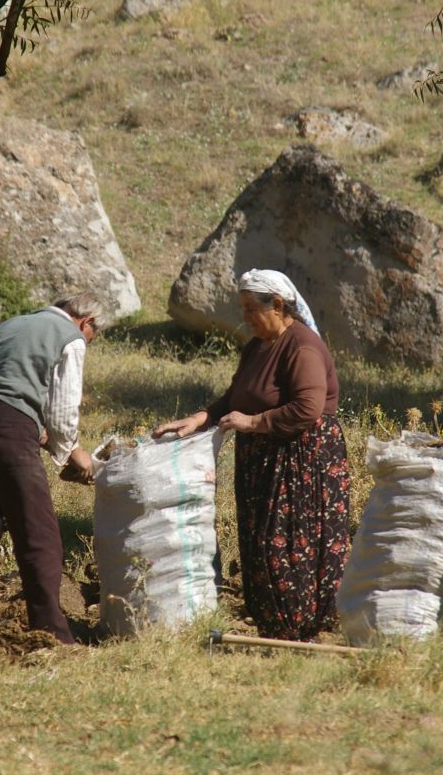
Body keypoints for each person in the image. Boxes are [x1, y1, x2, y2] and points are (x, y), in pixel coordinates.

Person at [155, 270, 351, 640]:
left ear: (277, 305)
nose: (244, 317)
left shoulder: (302, 346)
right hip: (264, 459)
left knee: (290, 543)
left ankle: (299, 627)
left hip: (300, 462)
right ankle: (273, 624)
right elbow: (235, 398)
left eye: (250, 309)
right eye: (242, 308)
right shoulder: (257, 347)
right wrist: (200, 418)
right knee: (260, 540)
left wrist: (254, 421)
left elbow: (308, 409)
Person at [0, 293, 104, 644]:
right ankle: (52, 632)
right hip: (8, 429)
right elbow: (63, 408)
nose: (89, 341)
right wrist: (70, 453)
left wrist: (37, 429)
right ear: (86, 322)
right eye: (93, 335)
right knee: (38, 534)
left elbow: (5, 385)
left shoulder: (9, 326)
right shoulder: (70, 336)